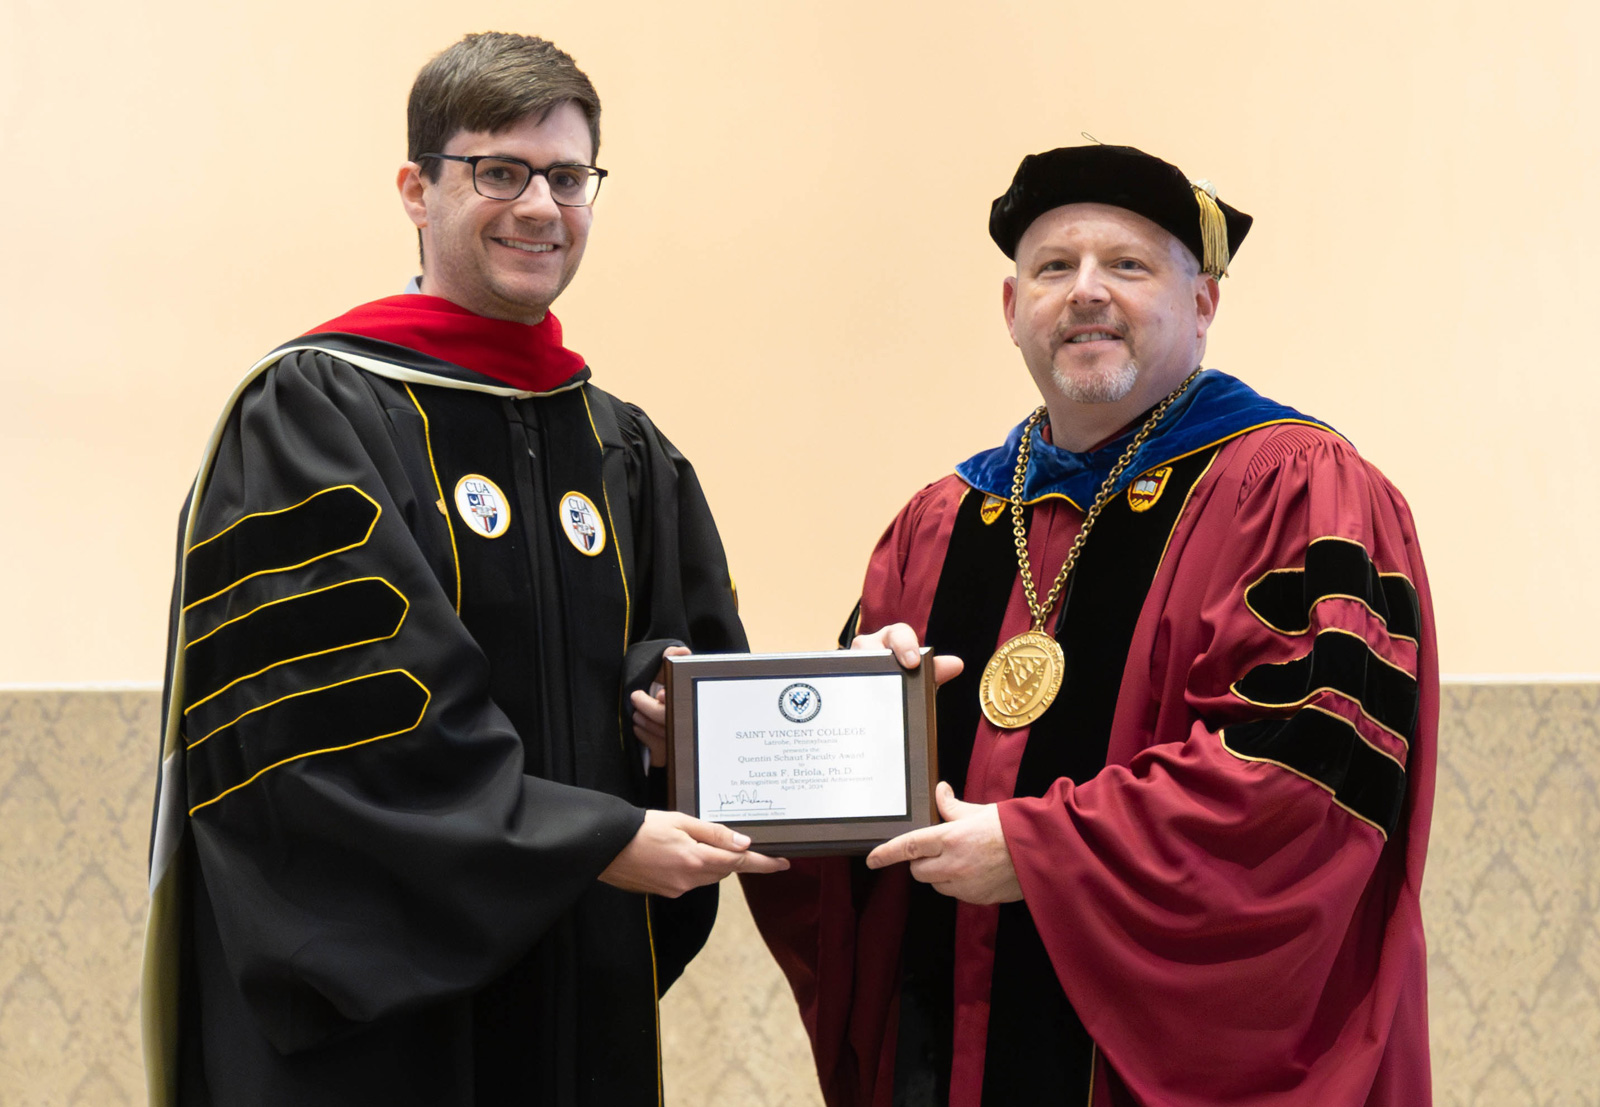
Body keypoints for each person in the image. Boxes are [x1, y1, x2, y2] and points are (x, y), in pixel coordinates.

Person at [140, 31, 784, 1107]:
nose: (541, 206)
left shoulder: (618, 444)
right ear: (416, 187)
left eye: (568, 178)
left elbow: (684, 645)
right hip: (381, 1023)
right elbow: (326, 720)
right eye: (499, 171)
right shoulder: (314, 410)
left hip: (579, 980)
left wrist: (679, 718)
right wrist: (591, 837)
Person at [741, 144, 1437, 1106]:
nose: (1086, 293)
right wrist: (771, 741)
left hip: (1157, 1063)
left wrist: (1039, 854)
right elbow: (827, 833)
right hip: (943, 1048)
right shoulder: (941, 523)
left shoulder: (1295, 488)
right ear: (1010, 307)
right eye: (1054, 267)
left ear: (1204, 305)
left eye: (1129, 265)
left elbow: (1303, 774)